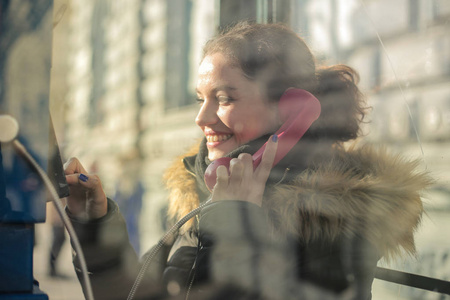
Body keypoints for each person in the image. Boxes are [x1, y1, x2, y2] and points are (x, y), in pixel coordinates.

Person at [64, 22, 432, 300]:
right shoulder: (204, 190)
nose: (201, 118)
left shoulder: (329, 221)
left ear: (292, 110)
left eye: (223, 98)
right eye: (200, 99)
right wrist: (96, 224)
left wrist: (231, 230)